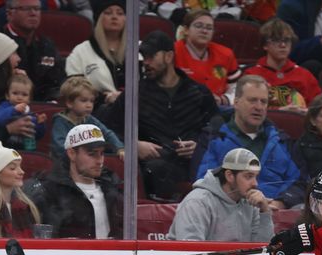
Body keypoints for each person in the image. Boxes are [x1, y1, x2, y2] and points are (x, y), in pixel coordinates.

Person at [103, 30, 218, 201]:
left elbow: (218, 131)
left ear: (169, 56)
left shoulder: (199, 92)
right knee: (156, 169)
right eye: (144, 57)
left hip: (195, 168)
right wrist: (133, 145)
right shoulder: (135, 93)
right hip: (153, 173)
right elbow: (109, 130)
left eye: (151, 57)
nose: (146, 63)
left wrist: (199, 145)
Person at [196, 75, 304, 209]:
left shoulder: (282, 141)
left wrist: (281, 202)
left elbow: (299, 182)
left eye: (263, 102)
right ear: (236, 102)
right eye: (252, 100)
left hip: (275, 213)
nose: (259, 107)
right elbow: (203, 182)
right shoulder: (213, 137)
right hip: (228, 212)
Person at [26, 124, 123, 239]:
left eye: (102, 153)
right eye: (92, 154)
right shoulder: (50, 193)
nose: (99, 160)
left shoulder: (112, 188)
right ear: (72, 153)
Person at [167, 148, 273, 241]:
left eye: (255, 176)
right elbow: (190, 251)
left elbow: (262, 251)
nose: (255, 183)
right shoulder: (197, 202)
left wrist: (264, 212)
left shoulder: (251, 202)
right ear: (230, 175)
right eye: (248, 176)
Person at [242, 18, 322, 112]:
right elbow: (246, 109)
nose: (283, 45)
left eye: (287, 40)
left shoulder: (305, 75)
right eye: (276, 40)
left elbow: (318, 110)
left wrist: (304, 112)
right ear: (265, 45)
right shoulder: (252, 75)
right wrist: (280, 111)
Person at [65, 0, 128, 114]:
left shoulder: (138, 50)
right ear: (98, 18)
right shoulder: (81, 51)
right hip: (97, 112)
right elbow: (73, 90)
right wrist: (104, 98)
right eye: (108, 13)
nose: (114, 17)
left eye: (120, 13)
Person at [174, 9, 241, 107]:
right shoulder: (172, 52)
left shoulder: (226, 54)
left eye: (209, 28)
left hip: (218, 110)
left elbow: (237, 88)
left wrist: (223, 100)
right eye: (198, 26)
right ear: (186, 30)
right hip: (182, 109)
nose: (204, 31)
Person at [3, 0, 66, 101]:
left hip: (42, 107)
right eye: (26, 9)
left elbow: (56, 81)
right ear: (10, 13)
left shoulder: (46, 44)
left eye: (37, 9)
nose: (33, 13)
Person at [50, 75, 122, 160]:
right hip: (64, 164)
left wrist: (119, 148)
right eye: (84, 101)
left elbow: (107, 134)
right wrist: (79, 156)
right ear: (69, 103)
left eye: (91, 101)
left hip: (86, 162)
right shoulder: (60, 122)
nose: (89, 105)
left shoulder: (89, 119)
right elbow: (59, 147)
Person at [0, 73, 47, 151]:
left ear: (29, 99)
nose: (19, 97)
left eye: (24, 95)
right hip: (6, 149)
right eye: (15, 93)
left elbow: (38, 135)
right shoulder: (4, 107)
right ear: (7, 95)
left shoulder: (30, 113)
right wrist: (13, 110)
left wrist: (40, 123)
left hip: (26, 151)